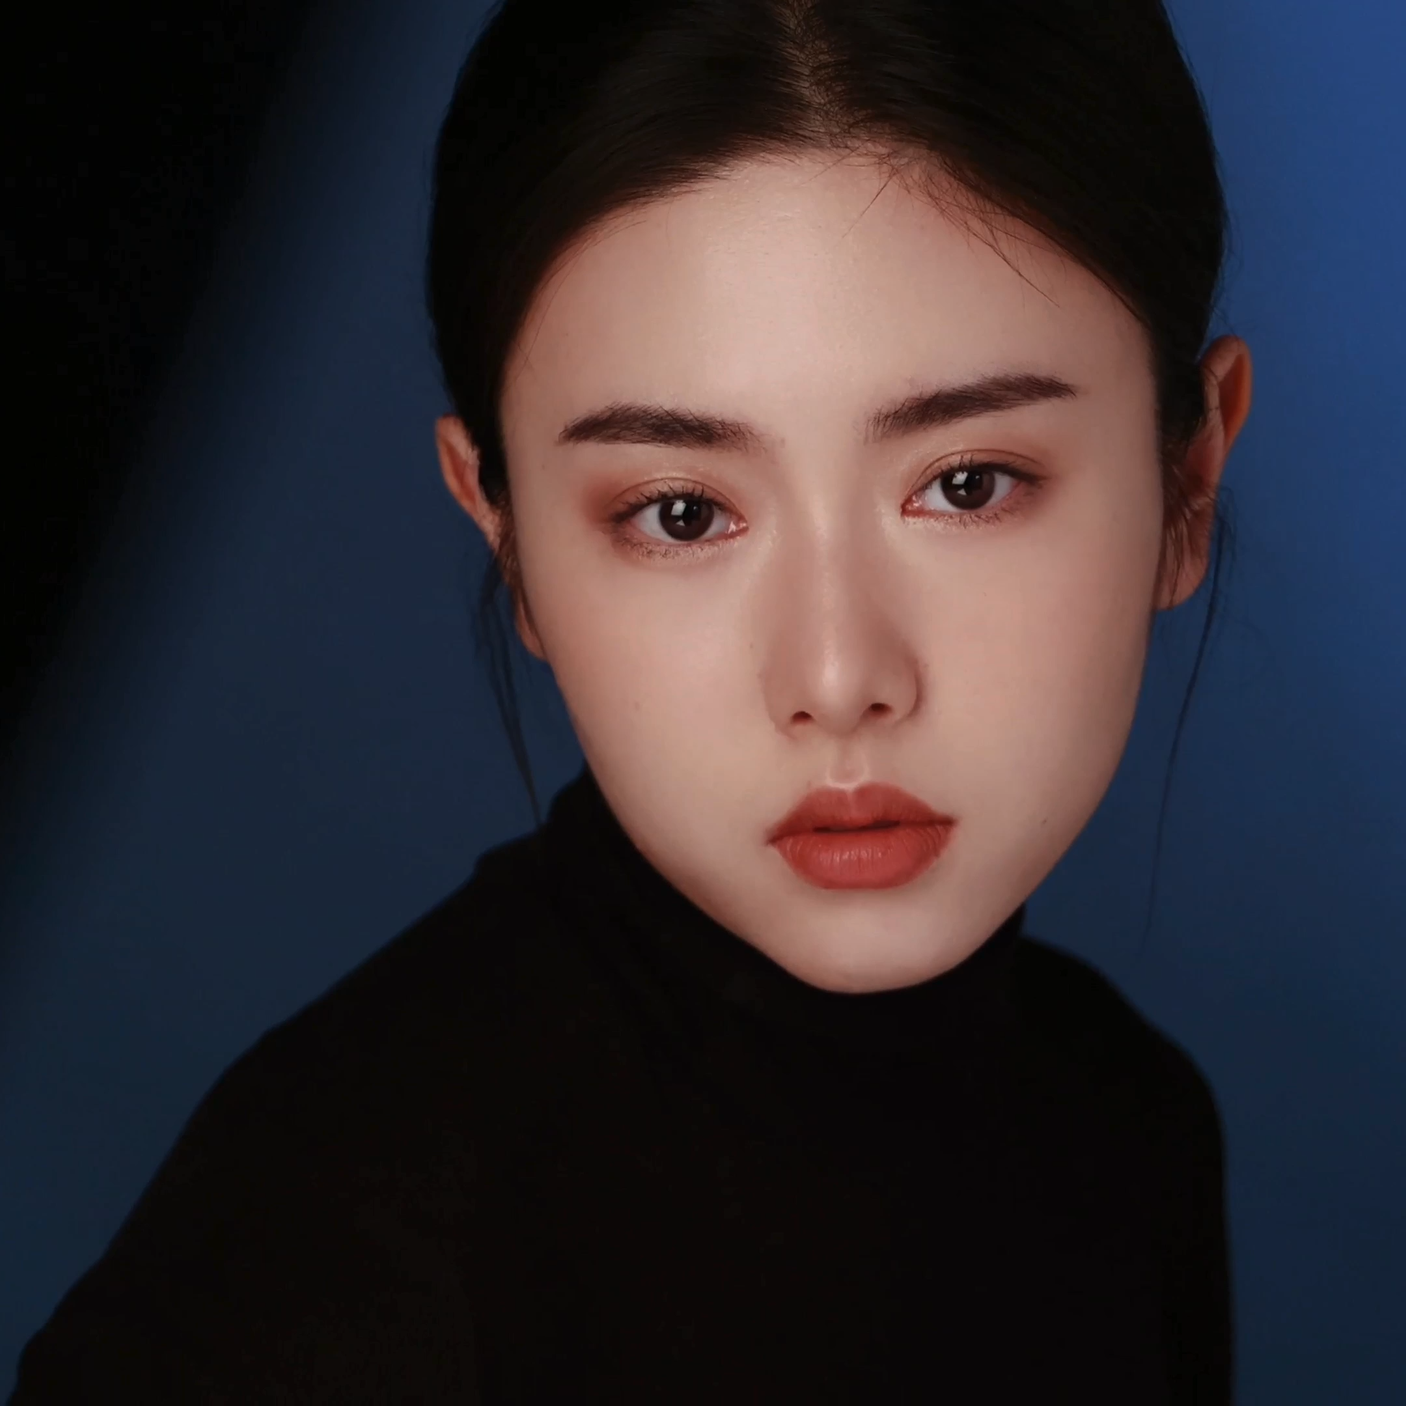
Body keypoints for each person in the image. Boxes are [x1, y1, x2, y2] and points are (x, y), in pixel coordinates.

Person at [10, 0, 1252, 1400]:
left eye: (964, 484)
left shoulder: (1126, 1129)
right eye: (678, 512)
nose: (837, 677)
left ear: (1188, 476)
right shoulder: (321, 1265)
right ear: (508, 533)